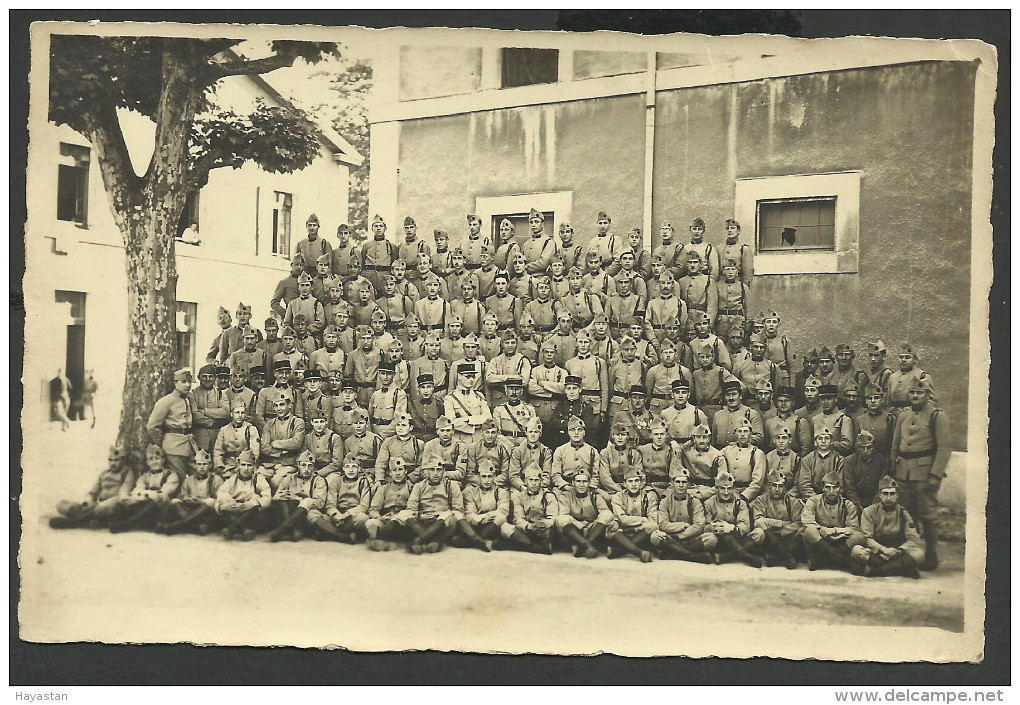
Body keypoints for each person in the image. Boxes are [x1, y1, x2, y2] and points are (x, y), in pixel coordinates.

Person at [890, 377, 950, 570]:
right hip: (903, 472)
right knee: (907, 514)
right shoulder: (903, 416)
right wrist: (893, 470)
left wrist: (935, 474)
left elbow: (944, 448)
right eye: (913, 393)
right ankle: (910, 554)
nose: (915, 396)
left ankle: (931, 554)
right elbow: (895, 445)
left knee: (928, 515)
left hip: (925, 473)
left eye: (920, 392)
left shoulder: (936, 416)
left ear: (927, 394)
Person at [851, 475, 923, 578]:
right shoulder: (869, 511)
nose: (889, 497)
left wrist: (899, 550)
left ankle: (878, 571)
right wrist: (883, 549)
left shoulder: (903, 512)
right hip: (877, 552)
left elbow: (913, 538)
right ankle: (901, 569)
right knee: (856, 550)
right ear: (880, 495)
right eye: (885, 494)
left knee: (919, 554)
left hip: (897, 551)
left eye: (892, 494)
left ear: (897, 495)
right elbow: (867, 537)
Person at [49, 444, 136, 529]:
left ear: (123, 461)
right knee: (62, 505)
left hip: (112, 504)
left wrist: (102, 504)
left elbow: (124, 492)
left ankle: (72, 523)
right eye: (110, 460)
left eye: (116, 460)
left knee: (101, 508)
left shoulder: (128, 472)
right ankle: (92, 520)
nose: (113, 463)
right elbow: (93, 492)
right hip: (96, 505)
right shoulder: (104, 473)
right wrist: (87, 503)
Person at [108, 444, 181, 533]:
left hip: (162, 512)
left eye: (157, 458)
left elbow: (163, 493)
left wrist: (144, 493)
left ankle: (128, 524)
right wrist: (148, 494)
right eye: (151, 459)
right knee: (121, 504)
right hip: (145, 509)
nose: (154, 462)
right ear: (147, 462)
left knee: (157, 500)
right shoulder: (144, 476)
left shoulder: (171, 476)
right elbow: (136, 491)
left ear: (163, 460)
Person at [801, 470, 863, 571]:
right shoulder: (813, 501)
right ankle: (842, 561)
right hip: (820, 540)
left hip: (841, 541)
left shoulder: (848, 504)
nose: (831, 491)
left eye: (835, 487)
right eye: (828, 487)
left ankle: (824, 560)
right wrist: (822, 529)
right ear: (823, 488)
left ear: (840, 489)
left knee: (859, 536)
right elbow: (807, 521)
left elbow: (853, 527)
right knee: (809, 531)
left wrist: (834, 531)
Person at [698, 470, 763, 568]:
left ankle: (726, 556)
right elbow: (705, 526)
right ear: (717, 489)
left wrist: (731, 528)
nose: (726, 492)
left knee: (759, 533)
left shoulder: (740, 503)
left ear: (733, 489)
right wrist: (716, 527)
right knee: (714, 537)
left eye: (729, 488)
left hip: (737, 536)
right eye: (722, 489)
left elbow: (745, 526)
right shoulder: (709, 503)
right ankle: (745, 556)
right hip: (719, 540)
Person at [651, 468, 713, 563]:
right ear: (672, 483)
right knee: (655, 537)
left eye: (684, 482)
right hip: (670, 536)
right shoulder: (665, 501)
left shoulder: (695, 502)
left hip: (688, 538)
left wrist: (679, 536)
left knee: (711, 539)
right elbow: (662, 524)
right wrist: (682, 525)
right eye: (678, 482)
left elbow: (699, 526)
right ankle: (692, 556)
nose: (681, 485)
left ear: (688, 483)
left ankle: (672, 552)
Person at [154, 450, 222, 536]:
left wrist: (201, 501)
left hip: (206, 511)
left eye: (204, 464)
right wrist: (187, 498)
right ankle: (195, 527)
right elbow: (182, 495)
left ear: (210, 465)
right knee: (175, 501)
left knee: (210, 502)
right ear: (195, 465)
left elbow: (219, 499)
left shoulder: (216, 479)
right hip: (191, 509)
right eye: (199, 464)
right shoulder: (189, 480)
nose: (201, 467)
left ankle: (176, 526)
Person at [145, 368, 198, 480]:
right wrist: (163, 442)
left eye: (189, 382)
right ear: (175, 383)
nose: (187, 385)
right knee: (178, 479)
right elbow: (152, 426)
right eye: (183, 382)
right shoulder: (166, 401)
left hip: (189, 445)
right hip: (173, 448)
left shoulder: (188, 398)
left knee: (196, 478)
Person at [404, 458, 465, 554]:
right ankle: (435, 541)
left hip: (443, 521)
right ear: (427, 471)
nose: (435, 473)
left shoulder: (452, 486)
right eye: (432, 470)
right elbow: (411, 508)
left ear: (443, 471)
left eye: (439, 469)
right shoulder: (419, 486)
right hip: (424, 521)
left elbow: (458, 509)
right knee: (405, 515)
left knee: (450, 518)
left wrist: (441, 515)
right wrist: (420, 515)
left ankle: (418, 541)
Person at [748, 469, 805, 569]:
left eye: (781, 486)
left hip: (786, 537)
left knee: (803, 531)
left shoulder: (793, 501)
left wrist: (781, 532)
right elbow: (758, 520)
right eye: (774, 485)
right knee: (759, 529)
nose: (777, 489)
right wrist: (783, 523)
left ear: (785, 488)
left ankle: (776, 557)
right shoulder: (761, 500)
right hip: (767, 538)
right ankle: (786, 556)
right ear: (769, 486)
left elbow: (799, 522)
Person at [267, 450, 328, 542]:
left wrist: (297, 498)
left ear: (313, 467)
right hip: (288, 511)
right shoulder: (289, 478)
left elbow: (320, 503)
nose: (306, 469)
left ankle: (283, 530)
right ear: (298, 465)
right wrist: (283, 496)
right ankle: (292, 530)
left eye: (310, 465)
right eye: (303, 465)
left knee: (305, 504)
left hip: (305, 513)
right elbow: (276, 497)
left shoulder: (319, 480)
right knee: (282, 503)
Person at [308, 456, 371, 543]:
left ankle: (328, 533)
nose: (351, 470)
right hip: (336, 516)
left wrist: (348, 514)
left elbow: (364, 506)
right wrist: (337, 515)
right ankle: (342, 536)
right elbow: (330, 505)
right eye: (347, 467)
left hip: (353, 517)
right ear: (343, 469)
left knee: (363, 518)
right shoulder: (336, 481)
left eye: (354, 467)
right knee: (312, 514)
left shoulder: (363, 482)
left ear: (359, 468)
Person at [212, 449, 272, 540]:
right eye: (243, 465)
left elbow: (267, 497)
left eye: (249, 465)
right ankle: (245, 530)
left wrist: (254, 503)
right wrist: (230, 503)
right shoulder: (232, 479)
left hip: (251, 512)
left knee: (255, 510)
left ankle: (232, 528)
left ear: (254, 467)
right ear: (238, 465)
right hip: (237, 510)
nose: (246, 469)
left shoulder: (259, 479)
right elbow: (222, 493)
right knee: (224, 508)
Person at [555, 469, 613, 559]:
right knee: (561, 519)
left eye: (584, 481)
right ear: (573, 483)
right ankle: (587, 545)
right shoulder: (566, 496)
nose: (581, 485)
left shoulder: (595, 496)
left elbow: (605, 514)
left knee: (607, 514)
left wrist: (590, 525)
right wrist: (580, 526)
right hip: (575, 529)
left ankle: (582, 546)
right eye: (578, 481)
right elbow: (563, 515)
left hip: (593, 529)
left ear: (589, 483)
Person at [503, 464, 558, 554]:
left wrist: (541, 524)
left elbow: (552, 518)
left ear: (541, 481)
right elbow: (518, 518)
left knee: (551, 530)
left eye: (536, 480)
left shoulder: (549, 496)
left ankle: (529, 546)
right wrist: (529, 526)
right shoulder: (520, 497)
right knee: (506, 528)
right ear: (525, 481)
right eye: (530, 480)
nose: (533, 483)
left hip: (542, 529)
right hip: (527, 530)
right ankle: (536, 547)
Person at [607, 467, 658, 562]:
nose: (634, 484)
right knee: (612, 530)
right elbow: (622, 519)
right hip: (623, 532)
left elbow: (653, 519)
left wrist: (640, 527)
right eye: (630, 481)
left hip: (641, 533)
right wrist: (642, 520)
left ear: (641, 482)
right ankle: (639, 552)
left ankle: (618, 551)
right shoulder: (618, 497)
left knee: (653, 526)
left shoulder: (649, 496)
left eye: (636, 481)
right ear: (624, 483)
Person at [458, 460, 509, 551]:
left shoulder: (501, 492)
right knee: (457, 539)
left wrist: (485, 517)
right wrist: (481, 520)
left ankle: (475, 540)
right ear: (479, 477)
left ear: (494, 477)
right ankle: (484, 541)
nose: (486, 480)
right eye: (483, 477)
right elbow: (470, 514)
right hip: (479, 524)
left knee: (500, 518)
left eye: (489, 476)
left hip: (493, 524)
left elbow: (503, 511)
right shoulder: (472, 493)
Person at [365, 457, 415, 551]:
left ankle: (378, 540)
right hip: (385, 518)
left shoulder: (412, 488)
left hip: (402, 520)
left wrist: (397, 516)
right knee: (370, 523)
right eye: (394, 470)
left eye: (400, 469)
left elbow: (413, 509)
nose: (397, 473)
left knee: (402, 520)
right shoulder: (383, 488)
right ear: (390, 473)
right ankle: (385, 543)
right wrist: (379, 517)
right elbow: (373, 509)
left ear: (406, 471)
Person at [258, 393, 305, 489]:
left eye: (282, 404)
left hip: (289, 464)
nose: (279, 408)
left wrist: (275, 443)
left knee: (276, 481)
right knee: (258, 476)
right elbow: (263, 447)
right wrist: (282, 451)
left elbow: (296, 443)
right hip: (270, 464)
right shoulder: (269, 424)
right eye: (276, 405)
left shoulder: (297, 422)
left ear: (289, 405)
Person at [676, 424, 728, 499]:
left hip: (709, 491)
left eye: (705, 437)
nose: (701, 441)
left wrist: (704, 494)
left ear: (709, 438)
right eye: (698, 437)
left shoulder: (718, 457)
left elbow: (722, 483)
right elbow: (677, 449)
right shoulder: (687, 450)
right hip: (690, 489)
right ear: (693, 438)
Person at [443, 363, 491, 444]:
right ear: (459, 376)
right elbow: (451, 422)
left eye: (473, 377)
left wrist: (468, 419)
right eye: (468, 376)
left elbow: (488, 417)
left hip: (479, 439)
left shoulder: (479, 396)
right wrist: (477, 423)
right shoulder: (450, 398)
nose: (471, 380)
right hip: (460, 440)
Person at [841, 429, 887, 511]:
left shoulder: (881, 460)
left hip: (876, 500)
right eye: (862, 448)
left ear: (874, 447)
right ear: (858, 448)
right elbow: (849, 488)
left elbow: (882, 485)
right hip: (856, 501)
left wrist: (873, 505)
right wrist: (858, 505)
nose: (866, 451)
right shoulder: (849, 461)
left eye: (869, 447)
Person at [212, 400, 261, 476]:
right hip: (228, 466)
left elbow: (255, 452)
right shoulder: (224, 430)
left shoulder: (251, 429)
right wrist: (220, 467)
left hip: (246, 466)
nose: (240, 415)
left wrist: (242, 467)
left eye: (243, 413)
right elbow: (218, 451)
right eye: (237, 412)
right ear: (231, 414)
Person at [796, 426, 845, 499]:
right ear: (815, 442)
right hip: (812, 499)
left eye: (827, 438)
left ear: (831, 441)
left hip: (833, 498)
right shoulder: (807, 460)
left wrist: (830, 498)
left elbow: (840, 484)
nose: (823, 441)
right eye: (820, 438)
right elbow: (804, 485)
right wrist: (816, 500)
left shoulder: (839, 460)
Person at [551, 415, 599, 491]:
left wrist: (589, 487)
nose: (576, 433)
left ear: (584, 432)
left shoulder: (592, 451)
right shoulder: (560, 450)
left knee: (606, 498)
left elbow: (595, 475)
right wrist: (566, 486)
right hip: (566, 487)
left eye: (580, 430)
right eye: (572, 430)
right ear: (568, 432)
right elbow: (555, 475)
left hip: (587, 487)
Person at [888, 343, 938, 413]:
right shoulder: (893, 377)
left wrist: (913, 409)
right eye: (901, 357)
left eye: (907, 357)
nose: (903, 360)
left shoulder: (922, 376)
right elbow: (888, 402)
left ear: (915, 360)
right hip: (895, 418)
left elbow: (932, 401)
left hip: (914, 417)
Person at [508, 417, 553, 492]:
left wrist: (537, 487)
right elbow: (513, 475)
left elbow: (547, 475)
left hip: (540, 486)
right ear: (526, 433)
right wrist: (522, 486)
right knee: (515, 497)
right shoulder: (518, 451)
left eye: (536, 432)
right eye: (530, 432)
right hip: (522, 486)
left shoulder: (545, 451)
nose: (533, 435)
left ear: (540, 434)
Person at [368, 361, 408, 440]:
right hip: (373, 435)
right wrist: (370, 435)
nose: (385, 377)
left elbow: (398, 419)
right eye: (383, 373)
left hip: (390, 436)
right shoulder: (376, 394)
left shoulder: (399, 394)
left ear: (394, 375)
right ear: (379, 374)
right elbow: (369, 417)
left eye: (389, 374)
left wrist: (382, 435)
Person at [812, 384, 856, 457]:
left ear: (835, 399)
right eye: (822, 399)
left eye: (829, 398)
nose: (825, 402)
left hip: (837, 459)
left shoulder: (844, 419)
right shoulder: (815, 419)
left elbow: (847, 445)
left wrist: (829, 444)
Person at [303, 409, 345, 478]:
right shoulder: (307, 438)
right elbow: (304, 458)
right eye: (316, 422)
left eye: (321, 421)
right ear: (312, 423)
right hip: (312, 470)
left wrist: (319, 473)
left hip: (331, 472)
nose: (319, 425)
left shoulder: (335, 438)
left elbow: (337, 463)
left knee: (330, 482)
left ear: (326, 422)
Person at [855, 382, 894, 455]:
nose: (873, 401)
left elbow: (893, 444)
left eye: (876, 398)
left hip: (884, 459)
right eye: (869, 398)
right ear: (866, 401)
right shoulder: (860, 420)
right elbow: (856, 445)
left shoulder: (890, 418)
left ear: (882, 400)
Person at [362, 214, 397, 293]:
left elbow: (394, 263)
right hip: (369, 277)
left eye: (381, 226)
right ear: (372, 229)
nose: (378, 228)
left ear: (385, 228)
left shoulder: (392, 246)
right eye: (376, 226)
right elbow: (362, 262)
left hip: (384, 278)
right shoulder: (366, 245)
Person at [719, 218, 753, 286]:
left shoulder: (744, 249)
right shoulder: (719, 248)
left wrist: (744, 289)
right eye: (727, 228)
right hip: (722, 286)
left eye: (732, 228)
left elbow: (747, 274)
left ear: (738, 231)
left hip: (737, 286)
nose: (729, 230)